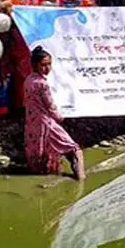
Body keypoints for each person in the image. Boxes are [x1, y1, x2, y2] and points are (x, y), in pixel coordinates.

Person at [24, 46, 85, 180]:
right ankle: (81, 180)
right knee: (74, 148)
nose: (47, 68)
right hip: (45, 123)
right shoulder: (42, 84)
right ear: (35, 65)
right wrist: (59, 117)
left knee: (42, 153)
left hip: (32, 123)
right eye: (43, 65)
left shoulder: (29, 80)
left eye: (49, 64)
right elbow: (50, 105)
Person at [3, 0, 43, 111]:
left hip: (35, 37)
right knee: (21, 71)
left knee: (35, 68)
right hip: (18, 39)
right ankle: (21, 104)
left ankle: (36, 101)